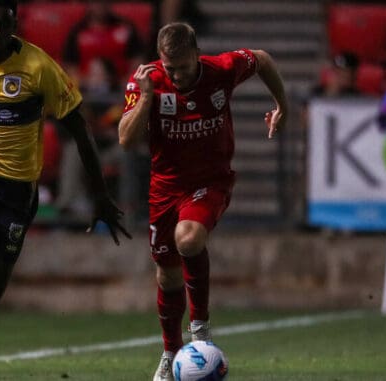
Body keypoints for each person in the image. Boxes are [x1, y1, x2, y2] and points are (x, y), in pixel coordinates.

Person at [0, 1, 131, 380]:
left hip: (14, 194)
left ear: (15, 24)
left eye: (4, 24)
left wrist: (100, 196)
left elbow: (81, 132)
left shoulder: (39, 67)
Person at [117, 22, 287, 381]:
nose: (175, 75)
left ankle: (201, 329)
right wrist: (146, 98)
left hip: (211, 181)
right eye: (169, 67)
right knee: (167, 274)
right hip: (165, 188)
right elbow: (126, 141)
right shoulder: (146, 81)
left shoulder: (222, 69)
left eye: (182, 66)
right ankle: (170, 352)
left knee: (189, 237)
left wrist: (281, 105)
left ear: (196, 53)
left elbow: (262, 59)